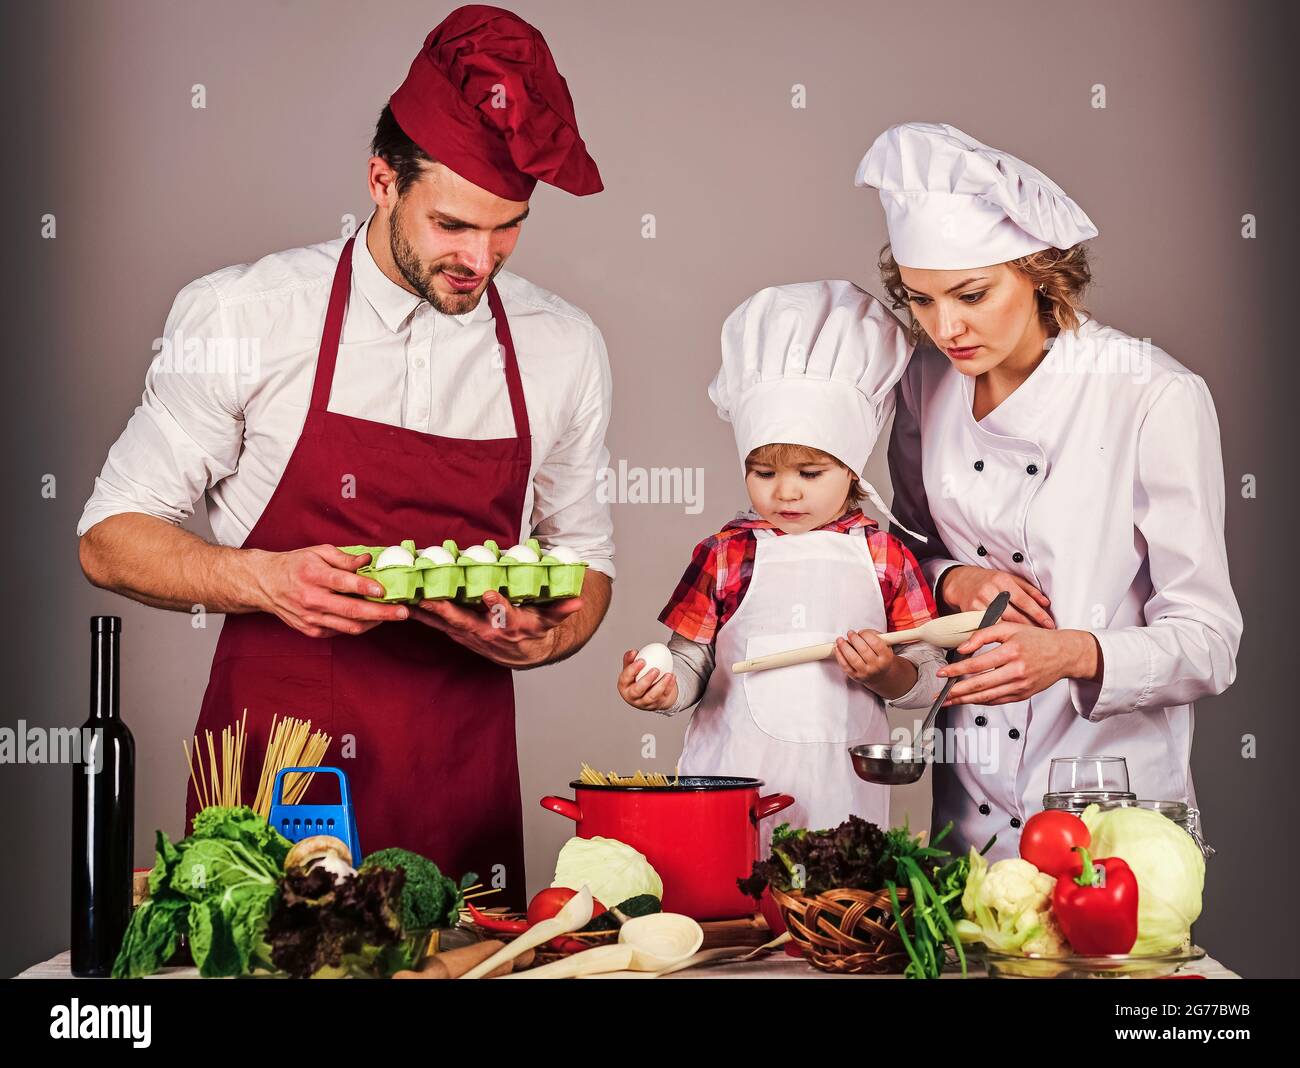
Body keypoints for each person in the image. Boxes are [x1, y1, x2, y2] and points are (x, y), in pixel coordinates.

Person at [76, 6, 614, 901]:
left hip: (459, 781)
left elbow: (586, 565)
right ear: (381, 180)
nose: (481, 260)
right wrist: (264, 580)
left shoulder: (564, 346)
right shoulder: (247, 315)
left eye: (508, 227)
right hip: (273, 783)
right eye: (453, 226)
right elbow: (107, 537)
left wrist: (550, 634)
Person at [856, 121, 1243, 858]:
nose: (947, 328)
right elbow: (906, 556)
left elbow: (1210, 643)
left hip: (1108, 811)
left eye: (970, 294)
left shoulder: (1151, 394)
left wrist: (1070, 653)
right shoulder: (924, 383)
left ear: (1038, 269)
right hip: (965, 804)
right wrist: (954, 578)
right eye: (922, 300)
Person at [617, 281, 946, 851]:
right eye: (763, 473)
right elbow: (691, 661)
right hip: (730, 785)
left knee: (826, 917)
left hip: (843, 797)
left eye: (810, 474)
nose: (785, 493)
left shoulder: (885, 557)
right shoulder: (726, 553)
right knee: (735, 910)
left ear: (852, 470)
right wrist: (663, 688)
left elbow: (926, 680)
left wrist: (884, 673)